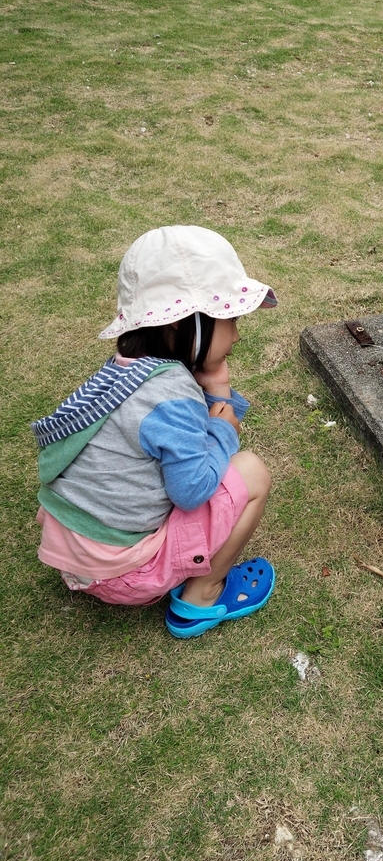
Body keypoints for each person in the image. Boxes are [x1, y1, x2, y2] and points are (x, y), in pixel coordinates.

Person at [31, 225, 277, 639]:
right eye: (230, 318)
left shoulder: (128, 370)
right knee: (252, 472)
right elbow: (192, 489)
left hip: (72, 554)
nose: (236, 334)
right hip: (121, 573)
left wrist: (216, 387)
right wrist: (222, 427)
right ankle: (203, 596)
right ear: (184, 325)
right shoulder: (171, 395)